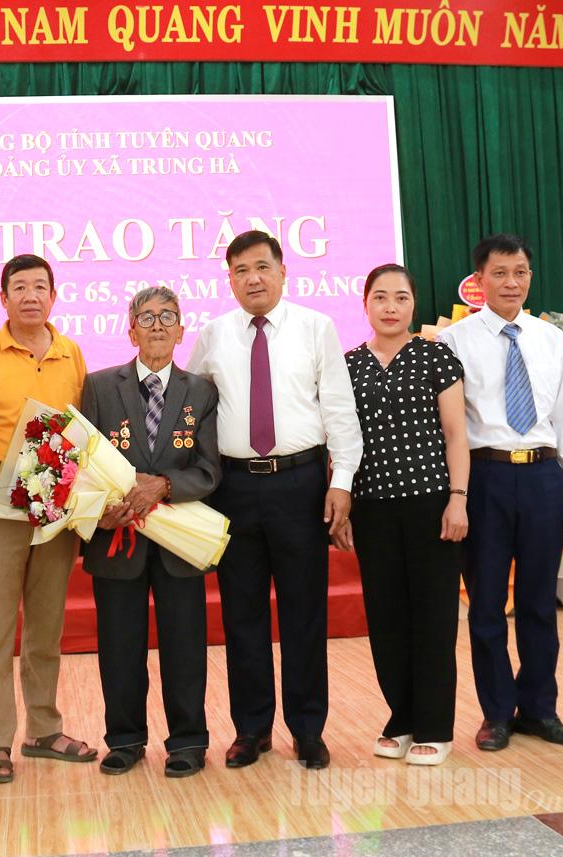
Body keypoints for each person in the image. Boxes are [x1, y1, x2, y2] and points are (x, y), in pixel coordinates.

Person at [187, 230, 362, 771]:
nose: (253, 279)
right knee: (241, 616)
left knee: (304, 612)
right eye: (240, 270)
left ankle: (308, 729)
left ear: (283, 272)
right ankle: (251, 730)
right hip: (234, 487)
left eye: (262, 267)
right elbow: (190, 413)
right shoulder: (213, 335)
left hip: (300, 483)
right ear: (230, 279)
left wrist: (343, 481)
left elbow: (338, 409)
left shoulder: (316, 328)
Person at [437, 234, 563, 752]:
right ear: (478, 282)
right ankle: (497, 713)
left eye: (520, 272)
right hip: (486, 478)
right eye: (500, 273)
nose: (511, 282)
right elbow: (450, 427)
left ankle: (541, 710)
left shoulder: (551, 340)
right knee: (485, 605)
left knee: (539, 603)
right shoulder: (456, 341)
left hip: (544, 477)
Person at [0, 254, 95, 784]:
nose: (31, 296)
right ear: (3, 298)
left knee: (46, 623)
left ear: (54, 296)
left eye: (41, 286)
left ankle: (43, 729)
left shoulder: (72, 354)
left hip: (56, 498)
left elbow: (84, 431)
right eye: (20, 287)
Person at [80, 286, 221, 778]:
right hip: (118, 537)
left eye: (168, 317)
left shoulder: (201, 390)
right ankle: (124, 739)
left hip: (180, 539)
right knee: (119, 645)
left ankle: (188, 742)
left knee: (185, 644)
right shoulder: (98, 386)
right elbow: (83, 464)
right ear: (130, 328)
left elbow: (209, 469)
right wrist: (104, 507)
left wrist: (162, 485)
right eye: (147, 316)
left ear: (182, 330)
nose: (158, 324)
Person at [335, 264, 469, 766]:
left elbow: (457, 435)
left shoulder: (438, 357)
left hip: (432, 504)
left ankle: (436, 726)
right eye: (380, 297)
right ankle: (402, 718)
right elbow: (340, 440)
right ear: (365, 304)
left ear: (413, 304)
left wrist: (459, 497)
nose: (390, 306)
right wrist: (342, 499)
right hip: (372, 508)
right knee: (387, 618)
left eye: (401, 297)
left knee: (433, 617)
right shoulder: (347, 365)